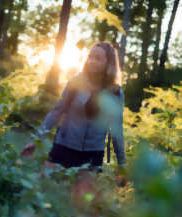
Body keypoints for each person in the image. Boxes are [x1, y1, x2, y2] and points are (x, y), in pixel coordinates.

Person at [21, 42, 126, 177]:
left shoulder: (115, 93)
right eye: (90, 57)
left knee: (82, 198)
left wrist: (122, 163)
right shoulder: (75, 83)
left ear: (108, 63)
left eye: (98, 58)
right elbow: (56, 112)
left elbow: (117, 130)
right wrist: (35, 140)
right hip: (64, 147)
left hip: (93, 155)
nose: (92, 61)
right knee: (45, 188)